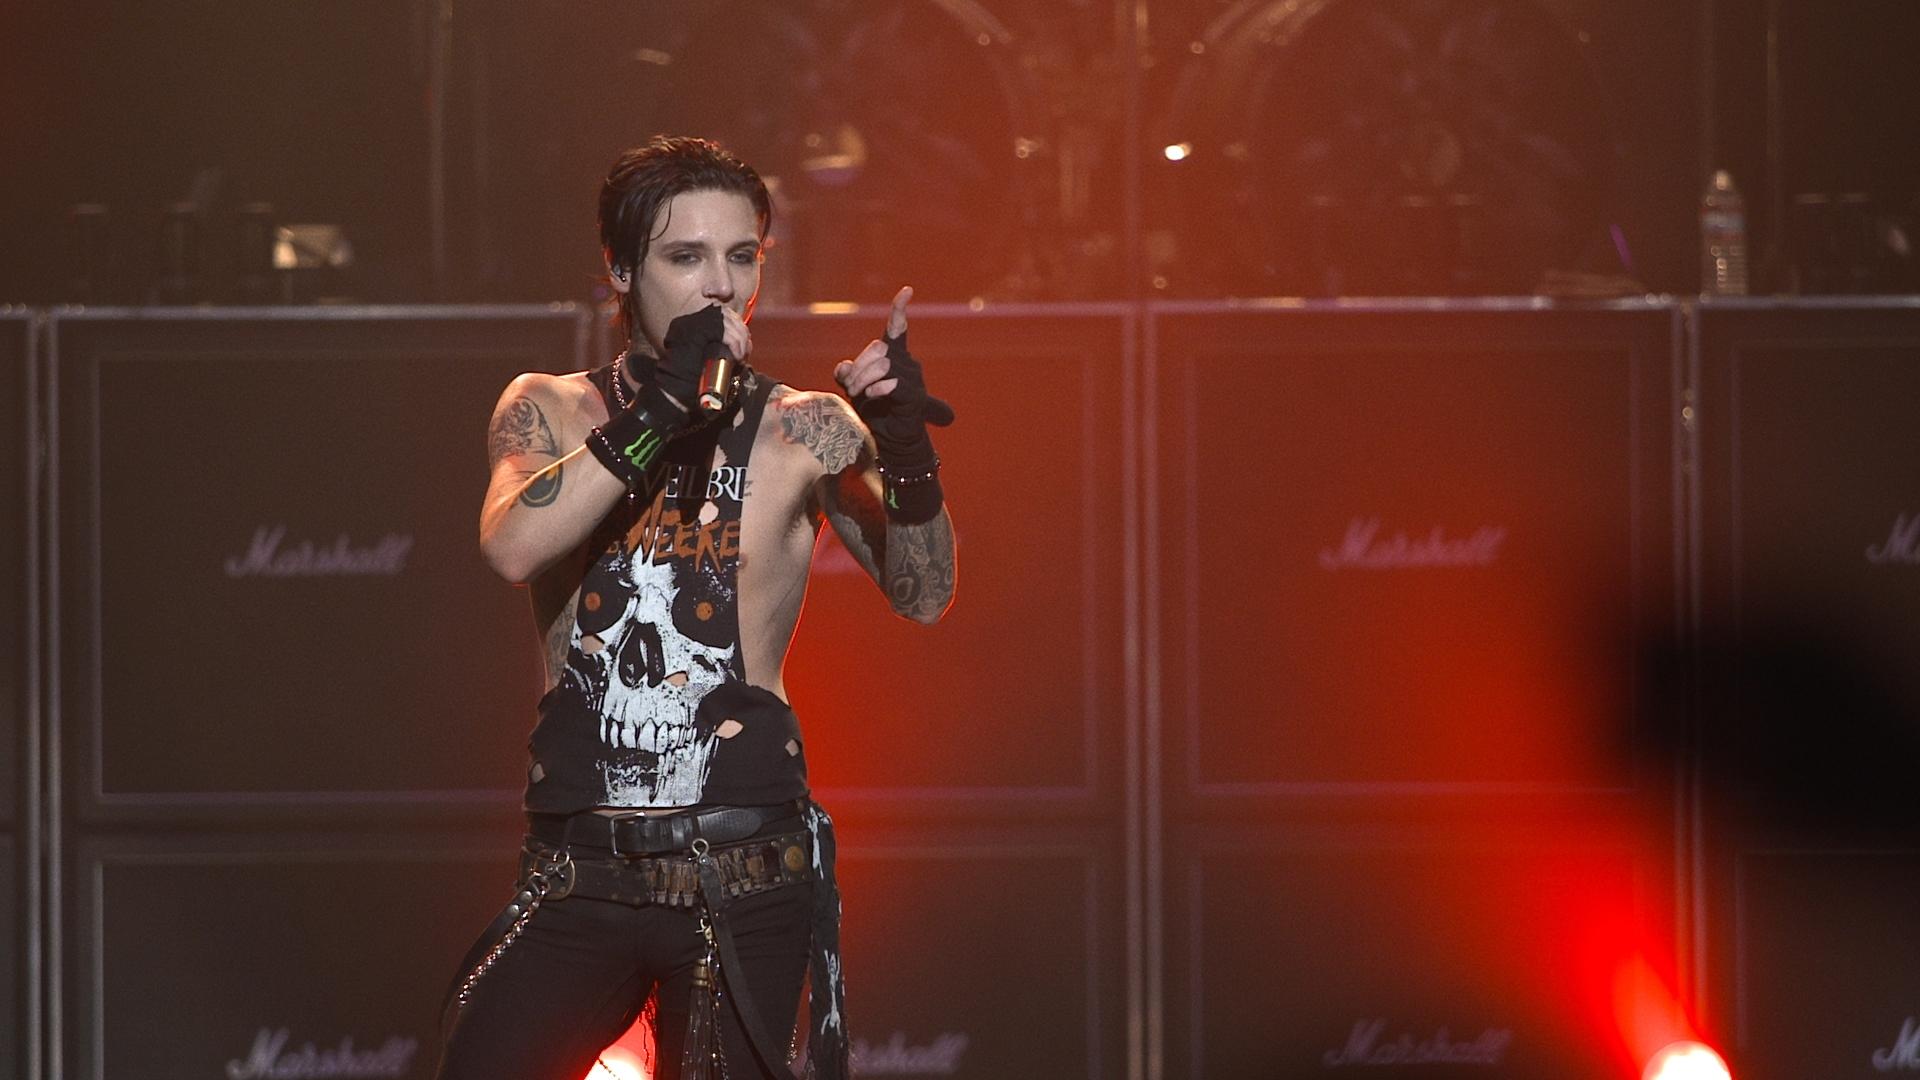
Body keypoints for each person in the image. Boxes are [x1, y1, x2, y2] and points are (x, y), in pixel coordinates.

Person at [436, 135, 958, 1080]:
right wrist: (664, 405)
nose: (720, 285)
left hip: (744, 873)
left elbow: (923, 594)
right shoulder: (549, 409)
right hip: (579, 873)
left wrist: (910, 458)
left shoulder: (806, 426)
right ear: (623, 271)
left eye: (742, 256)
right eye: (686, 257)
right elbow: (512, 545)